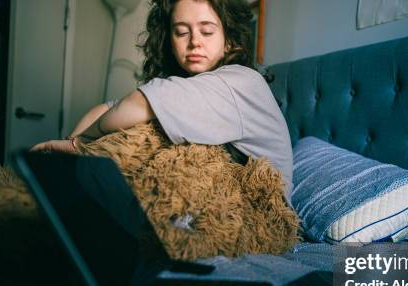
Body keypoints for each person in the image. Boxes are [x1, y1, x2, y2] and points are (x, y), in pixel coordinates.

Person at [31, 0, 293, 199]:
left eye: (207, 31)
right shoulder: (193, 87)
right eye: (181, 32)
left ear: (229, 42)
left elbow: (138, 104)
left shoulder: (241, 81)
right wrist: (72, 151)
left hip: (257, 209)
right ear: (169, 39)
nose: (194, 43)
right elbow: (108, 109)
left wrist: (80, 143)